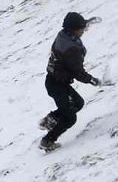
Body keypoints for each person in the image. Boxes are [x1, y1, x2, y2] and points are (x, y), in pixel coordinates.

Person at [40, 12, 100, 151]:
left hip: (56, 81)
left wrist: (86, 22)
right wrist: (92, 80)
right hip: (56, 84)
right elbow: (78, 72)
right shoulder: (71, 49)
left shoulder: (64, 35)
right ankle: (48, 141)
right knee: (70, 118)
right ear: (73, 29)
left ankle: (49, 120)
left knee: (78, 103)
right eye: (82, 28)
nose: (83, 30)